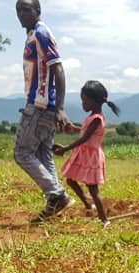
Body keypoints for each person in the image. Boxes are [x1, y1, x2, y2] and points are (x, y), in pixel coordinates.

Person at [14, 0, 75, 223]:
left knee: (21, 153)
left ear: (38, 11)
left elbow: (58, 68)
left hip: (40, 106)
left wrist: (59, 107)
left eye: (26, 9)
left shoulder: (41, 33)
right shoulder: (32, 35)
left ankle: (57, 195)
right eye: (18, 10)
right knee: (43, 154)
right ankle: (55, 204)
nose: (21, 14)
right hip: (43, 106)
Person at [53, 80, 119, 228]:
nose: (83, 104)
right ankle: (88, 205)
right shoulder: (92, 117)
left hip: (91, 156)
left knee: (93, 189)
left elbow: (85, 138)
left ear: (95, 101)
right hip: (84, 154)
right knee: (70, 180)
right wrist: (74, 128)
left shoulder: (96, 119)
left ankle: (104, 220)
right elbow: (84, 131)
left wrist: (65, 149)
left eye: (85, 100)